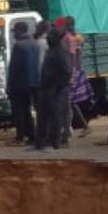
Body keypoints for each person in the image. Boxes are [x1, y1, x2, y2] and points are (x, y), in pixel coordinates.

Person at [33, 24, 72, 153]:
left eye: (50, 36)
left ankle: (54, 143)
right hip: (44, 89)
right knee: (42, 118)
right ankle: (40, 143)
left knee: (55, 118)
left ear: (55, 38)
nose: (47, 38)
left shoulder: (61, 53)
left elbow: (66, 73)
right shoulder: (51, 51)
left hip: (54, 91)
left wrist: (57, 88)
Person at [7, 20, 40, 146]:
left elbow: (14, 68)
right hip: (34, 83)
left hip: (20, 84)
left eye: (15, 31)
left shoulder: (18, 46)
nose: (14, 34)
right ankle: (32, 136)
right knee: (27, 110)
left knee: (19, 111)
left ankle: (20, 137)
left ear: (20, 31)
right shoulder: (34, 43)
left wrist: (9, 85)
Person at [64, 16, 93, 141]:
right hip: (77, 70)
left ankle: (70, 128)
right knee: (71, 101)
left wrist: (73, 72)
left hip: (73, 72)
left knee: (70, 100)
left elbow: (74, 56)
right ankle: (82, 126)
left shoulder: (72, 38)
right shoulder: (77, 37)